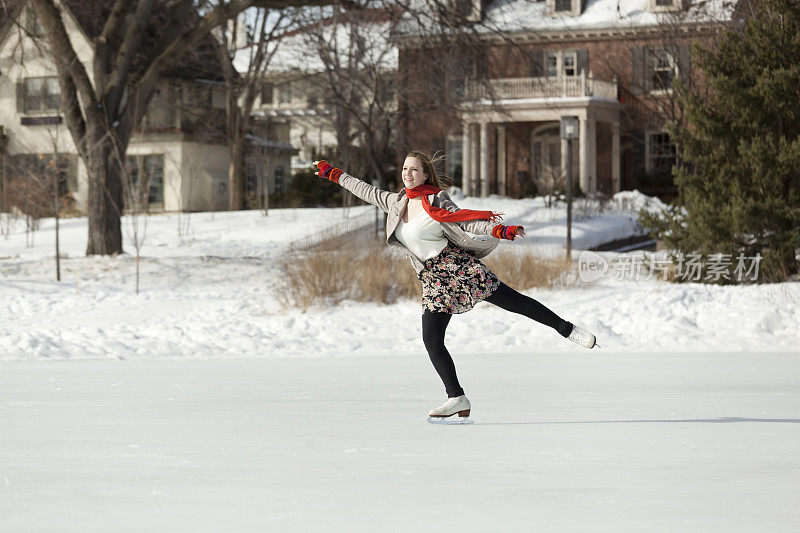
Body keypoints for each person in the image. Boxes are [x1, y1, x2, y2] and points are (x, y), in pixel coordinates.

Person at [313, 152, 597, 422]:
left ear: (425, 175)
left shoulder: (437, 199)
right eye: (404, 169)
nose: (407, 174)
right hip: (432, 278)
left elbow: (466, 219)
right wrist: (334, 174)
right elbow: (363, 189)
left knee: (515, 302)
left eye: (414, 169)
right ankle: (457, 398)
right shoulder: (395, 202)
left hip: (456, 266)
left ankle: (567, 329)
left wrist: (498, 229)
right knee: (431, 340)